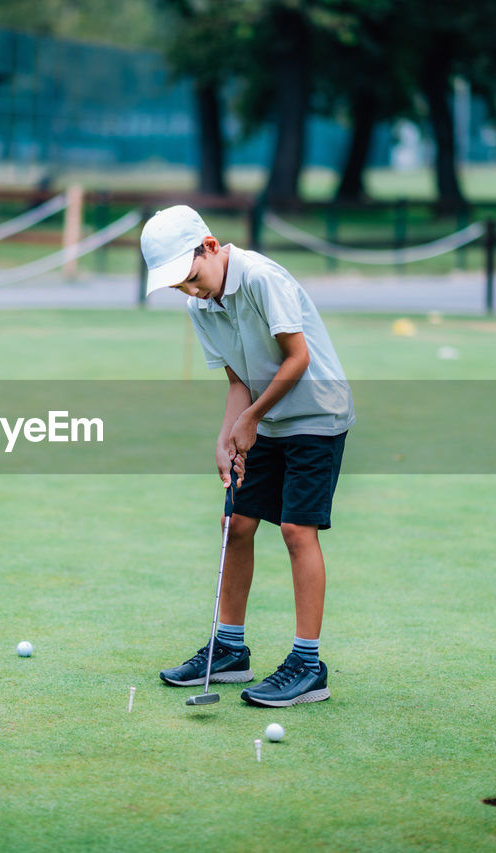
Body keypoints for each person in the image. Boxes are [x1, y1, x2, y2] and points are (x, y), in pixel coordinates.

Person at [142, 205, 353, 707]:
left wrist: (251, 420)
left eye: (190, 278)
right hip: (266, 415)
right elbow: (238, 378)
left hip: (316, 415)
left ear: (210, 246)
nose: (190, 292)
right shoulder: (202, 305)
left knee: (296, 529)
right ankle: (230, 650)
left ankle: (308, 665)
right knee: (235, 523)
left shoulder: (261, 278)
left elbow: (297, 358)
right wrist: (227, 434)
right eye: (178, 287)